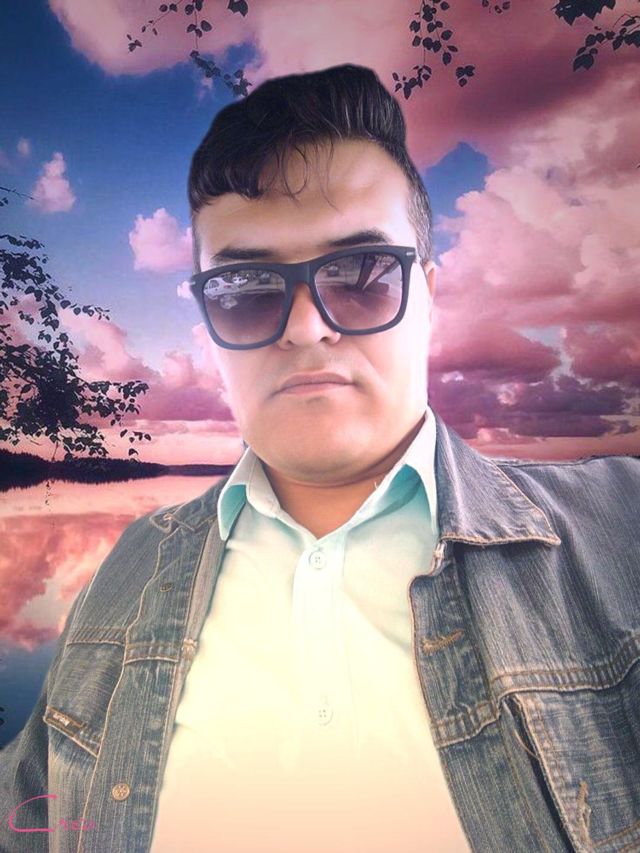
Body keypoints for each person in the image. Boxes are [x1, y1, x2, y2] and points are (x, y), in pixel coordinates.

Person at [1, 63, 639, 853]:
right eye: (245, 288)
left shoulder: (619, 530)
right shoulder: (129, 568)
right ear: (208, 319)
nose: (306, 327)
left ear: (429, 298)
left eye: (361, 275)